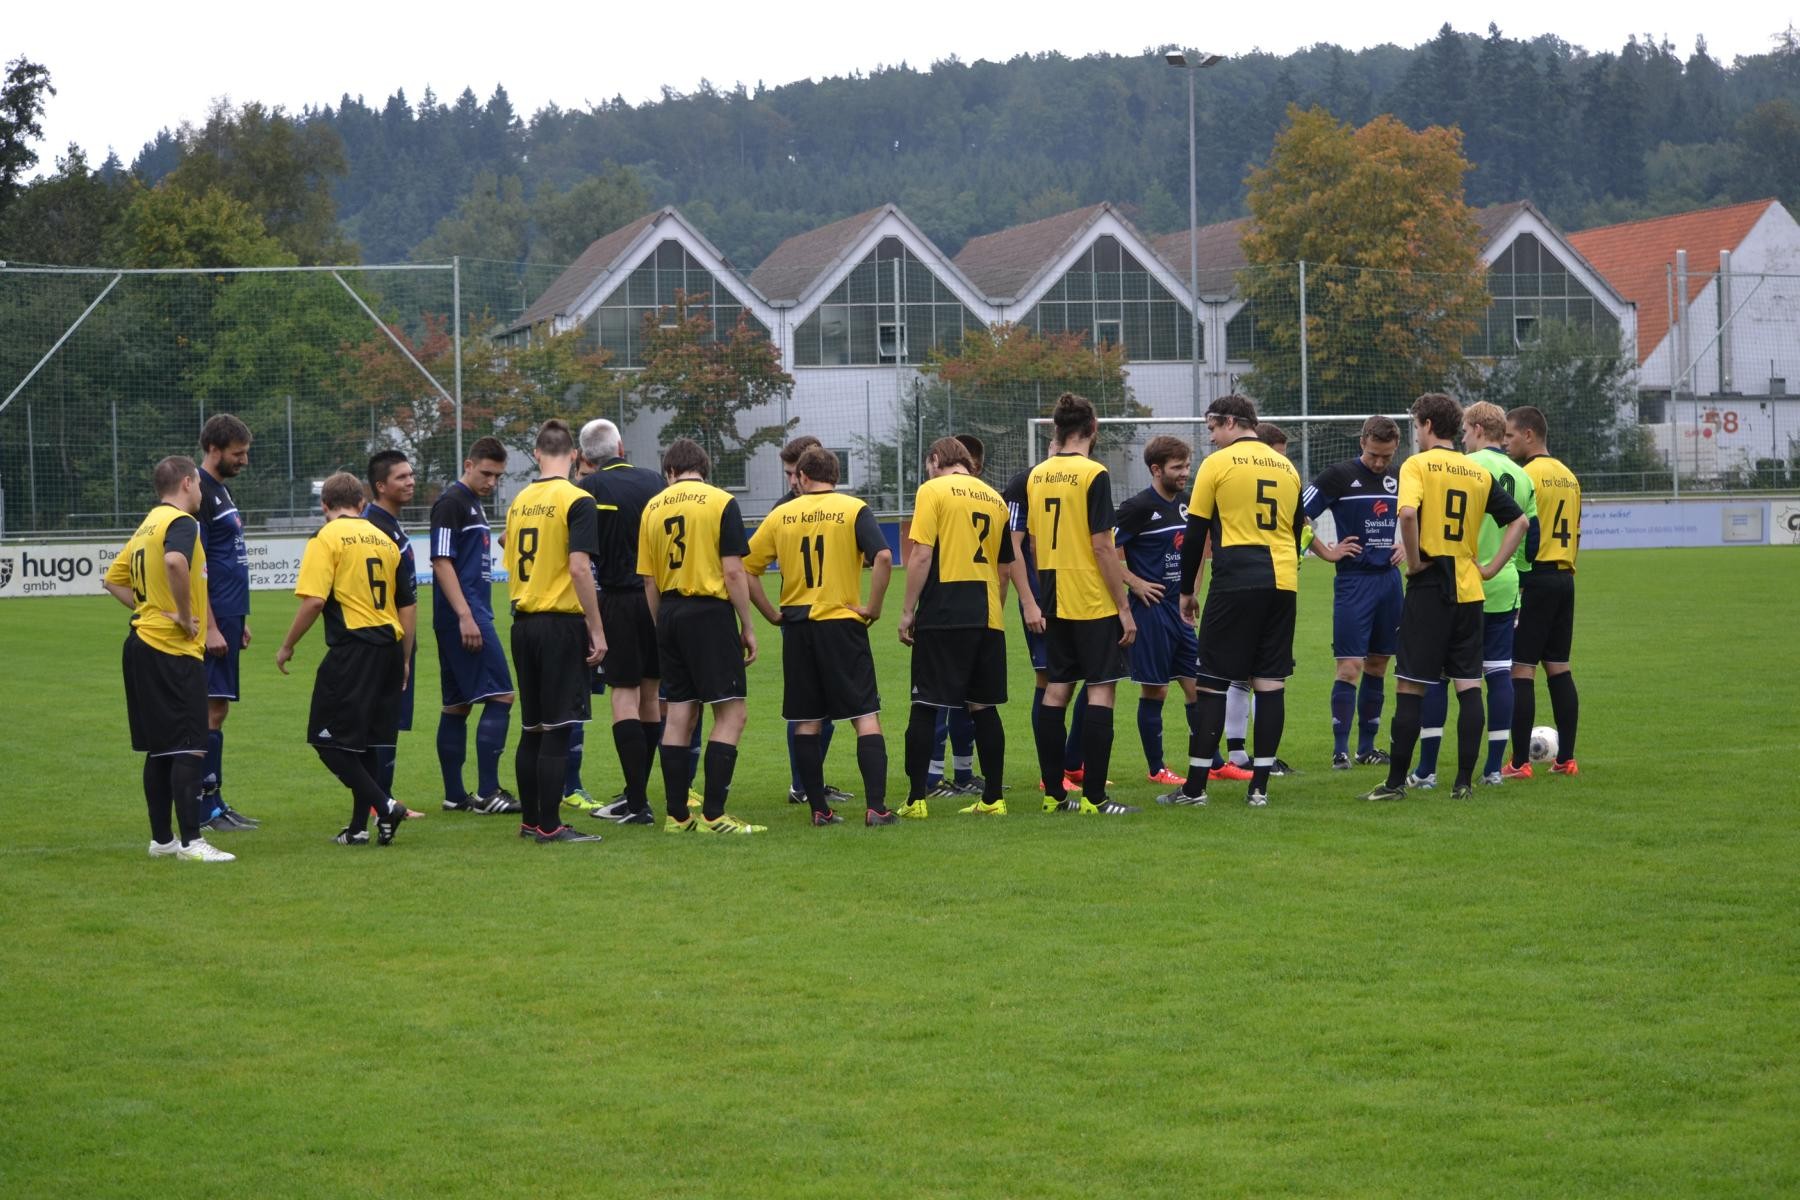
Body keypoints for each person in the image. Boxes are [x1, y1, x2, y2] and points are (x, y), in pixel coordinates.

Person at [1358, 394, 1527, 802]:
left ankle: (1396, 783)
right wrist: (1488, 568)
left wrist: (1414, 563)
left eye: (1417, 425)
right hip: (1469, 589)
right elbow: (1519, 522)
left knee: (1412, 685)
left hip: (1431, 585)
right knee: (1470, 685)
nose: (1416, 433)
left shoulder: (1417, 465)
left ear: (1429, 425)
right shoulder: (1474, 472)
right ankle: (1464, 783)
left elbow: (1409, 515)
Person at [1166, 394, 1304, 808]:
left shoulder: (1218, 464)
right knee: (1270, 682)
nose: (1209, 437)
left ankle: (1194, 789)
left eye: (1211, 427)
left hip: (1236, 580)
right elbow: (1296, 531)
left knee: (1211, 682)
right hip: (1282, 581)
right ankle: (1259, 788)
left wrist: (1187, 590)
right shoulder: (1287, 466)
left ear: (1230, 421)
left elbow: (1195, 533)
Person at [746, 445, 896, 826]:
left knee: (808, 720)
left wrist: (770, 614)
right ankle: (876, 808)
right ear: (836, 475)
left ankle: (819, 810)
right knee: (864, 715)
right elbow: (881, 556)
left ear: (803, 476)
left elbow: (747, 568)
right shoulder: (852, 509)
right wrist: (874, 607)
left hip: (798, 627)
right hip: (841, 623)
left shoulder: (781, 514)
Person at [896, 436, 1039, 818]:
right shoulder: (993, 498)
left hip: (944, 612)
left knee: (925, 705)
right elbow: (1005, 563)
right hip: (988, 614)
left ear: (936, 458)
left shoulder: (933, 491)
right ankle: (993, 798)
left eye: (928, 463)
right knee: (984, 707)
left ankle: (915, 800)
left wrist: (908, 610)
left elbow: (922, 554)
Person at [102, 455, 235, 862]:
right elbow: (176, 562)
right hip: (171, 649)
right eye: (198, 485)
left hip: (141, 643)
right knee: (191, 745)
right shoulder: (182, 523)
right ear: (189, 483)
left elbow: (112, 579)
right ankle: (193, 843)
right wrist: (178, 613)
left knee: (160, 748)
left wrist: (148, 609)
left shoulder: (147, 525)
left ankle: (162, 840)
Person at [275, 471, 418, 845]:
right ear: (363, 503)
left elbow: (315, 600)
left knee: (326, 741)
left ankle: (386, 807)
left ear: (325, 506)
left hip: (354, 650)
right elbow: (407, 604)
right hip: (389, 648)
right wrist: (404, 659)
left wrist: (288, 645)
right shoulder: (386, 540)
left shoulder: (326, 537)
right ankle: (357, 829)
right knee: (365, 743)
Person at [637, 438, 764, 834]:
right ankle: (713, 816)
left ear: (669, 471)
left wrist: (663, 623)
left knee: (680, 714)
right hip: (708, 613)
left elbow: (648, 579)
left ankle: (677, 817)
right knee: (732, 712)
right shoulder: (720, 501)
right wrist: (747, 623)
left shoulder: (652, 508)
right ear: (703, 469)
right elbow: (732, 571)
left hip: (670, 612)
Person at [1409, 402, 1536, 788]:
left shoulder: (1465, 467)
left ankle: (1427, 770)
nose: (1463, 437)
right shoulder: (1523, 474)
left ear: (1478, 429)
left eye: (1466, 430)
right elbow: (1526, 528)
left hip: (1459, 581)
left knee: (1439, 677)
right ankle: (1494, 768)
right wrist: (1500, 568)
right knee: (1498, 673)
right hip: (1501, 583)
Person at [1026, 392, 1139, 815]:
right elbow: (1102, 547)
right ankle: (1095, 797)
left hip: (1054, 593)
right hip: (1091, 597)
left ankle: (1055, 795)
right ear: (1092, 430)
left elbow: (1035, 542)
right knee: (1100, 692)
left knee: (1056, 691)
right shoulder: (1094, 474)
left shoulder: (1038, 475)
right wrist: (1123, 608)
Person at [502, 419, 607, 843]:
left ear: (536, 453)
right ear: (577, 457)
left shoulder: (519, 501)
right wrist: (597, 630)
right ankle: (550, 824)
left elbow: (509, 555)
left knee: (532, 728)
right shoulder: (577, 499)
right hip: (559, 623)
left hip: (523, 622)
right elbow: (580, 567)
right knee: (560, 726)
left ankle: (531, 821)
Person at [575, 418, 669, 825]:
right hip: (658, 600)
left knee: (623, 696)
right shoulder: (655, 483)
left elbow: (580, 558)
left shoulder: (588, 490)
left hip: (618, 600)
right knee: (650, 697)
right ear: (621, 447)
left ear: (583, 458)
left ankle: (636, 803)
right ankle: (636, 794)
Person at [1301, 415, 1406, 770]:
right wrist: (1327, 551)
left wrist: (1408, 546)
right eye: (1375, 454)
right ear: (1362, 442)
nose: (1379, 463)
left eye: (1386, 456)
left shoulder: (1400, 477)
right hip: (1354, 583)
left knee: (1378, 664)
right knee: (1349, 667)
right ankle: (1340, 750)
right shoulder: (1338, 475)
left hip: (1390, 583)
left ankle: (1367, 748)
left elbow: (1417, 516)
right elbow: (1294, 514)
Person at [430, 437, 519, 815]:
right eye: (486, 473)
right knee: (502, 695)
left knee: (457, 705)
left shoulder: (474, 505)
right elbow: (441, 560)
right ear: (468, 463)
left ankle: (455, 795)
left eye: (498, 476)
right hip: (466, 614)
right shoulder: (452, 503)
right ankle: (487, 793)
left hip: (463, 613)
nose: (492, 482)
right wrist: (466, 615)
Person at [1113, 435, 1205, 786]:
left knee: (1198, 686)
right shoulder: (1137, 507)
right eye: (1177, 467)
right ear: (1155, 469)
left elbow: (1196, 551)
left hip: (1180, 612)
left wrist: (1191, 591)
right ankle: (1157, 769)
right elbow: (1101, 551)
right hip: (1150, 612)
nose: (1185, 472)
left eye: (1187, 465)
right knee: (1156, 690)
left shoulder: (1185, 504)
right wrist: (1134, 582)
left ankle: (1208, 761)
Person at [1002, 433, 1091, 792]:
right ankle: (1049, 774)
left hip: (1080, 595)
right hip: (1044, 597)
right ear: (1050, 448)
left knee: (1097, 676)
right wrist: (1028, 600)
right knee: (1050, 681)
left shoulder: (1086, 476)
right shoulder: (1026, 482)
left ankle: (1073, 762)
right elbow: (1012, 546)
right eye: (1056, 448)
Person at [770, 434, 854, 808]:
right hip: (803, 620)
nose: (791, 480)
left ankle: (812, 781)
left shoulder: (824, 506)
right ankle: (801, 783)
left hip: (827, 616)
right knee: (805, 710)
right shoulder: (784, 509)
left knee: (827, 713)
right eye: (787, 473)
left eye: (794, 473)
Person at [1504, 404, 1583, 778]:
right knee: (1559, 668)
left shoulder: (1526, 476)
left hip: (1534, 578)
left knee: (1521, 671)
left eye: (1510, 436)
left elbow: (1522, 531)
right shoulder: (1569, 476)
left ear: (1529, 435)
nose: (1506, 443)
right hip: (1565, 578)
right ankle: (1565, 759)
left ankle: (1519, 763)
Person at [195, 414, 258, 831]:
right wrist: (213, 625)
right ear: (214, 450)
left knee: (219, 710)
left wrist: (239, 621)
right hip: (214, 621)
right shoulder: (198, 492)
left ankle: (215, 800)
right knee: (210, 711)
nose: (245, 460)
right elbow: (197, 564)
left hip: (230, 618)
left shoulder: (222, 491)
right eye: (238, 454)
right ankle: (204, 807)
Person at [362, 450, 419, 802]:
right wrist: (403, 654)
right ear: (380, 486)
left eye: (411, 474)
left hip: (393, 638)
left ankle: (383, 799)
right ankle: (377, 802)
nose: (410, 481)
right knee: (379, 723)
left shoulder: (389, 523)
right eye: (401, 477)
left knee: (388, 722)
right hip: (383, 639)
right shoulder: (374, 527)